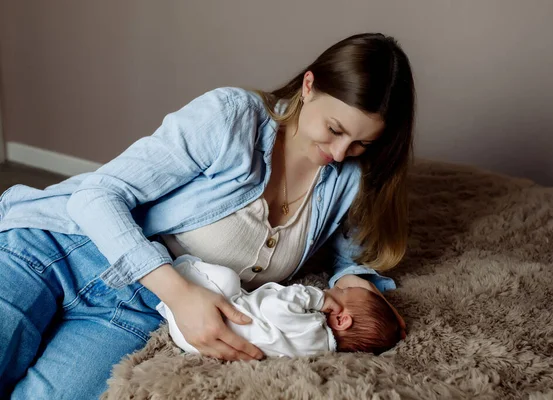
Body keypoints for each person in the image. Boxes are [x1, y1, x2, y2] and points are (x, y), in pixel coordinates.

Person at [0, 32, 415, 398]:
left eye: (362, 144)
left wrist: (361, 292)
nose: (341, 153)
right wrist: (181, 296)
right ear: (309, 86)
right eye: (335, 129)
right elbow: (96, 196)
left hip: (134, 310)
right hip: (58, 248)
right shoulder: (232, 118)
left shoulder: (349, 180)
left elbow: (351, 260)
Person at [157, 255, 402, 357]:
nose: (335, 288)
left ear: (341, 320)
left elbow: (275, 307)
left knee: (227, 278)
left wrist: (317, 298)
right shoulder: (317, 349)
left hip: (200, 325)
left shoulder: (312, 327)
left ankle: (182, 268)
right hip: (201, 341)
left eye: (343, 291)